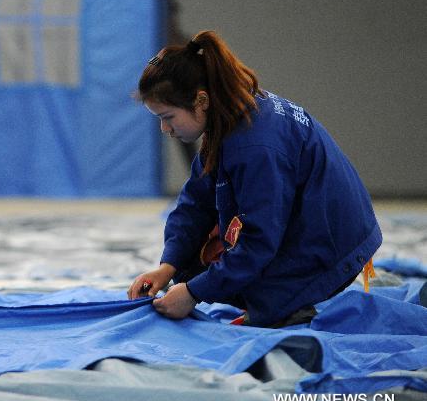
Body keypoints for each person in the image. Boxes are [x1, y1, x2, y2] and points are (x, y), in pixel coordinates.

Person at [128, 31, 382, 327]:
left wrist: (194, 294)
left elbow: (259, 241)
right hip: (311, 221)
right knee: (191, 266)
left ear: (201, 101)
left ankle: (296, 302)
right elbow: (195, 202)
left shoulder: (256, 146)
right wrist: (167, 268)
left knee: (261, 301)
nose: (164, 129)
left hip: (335, 244)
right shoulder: (229, 117)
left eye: (168, 117)